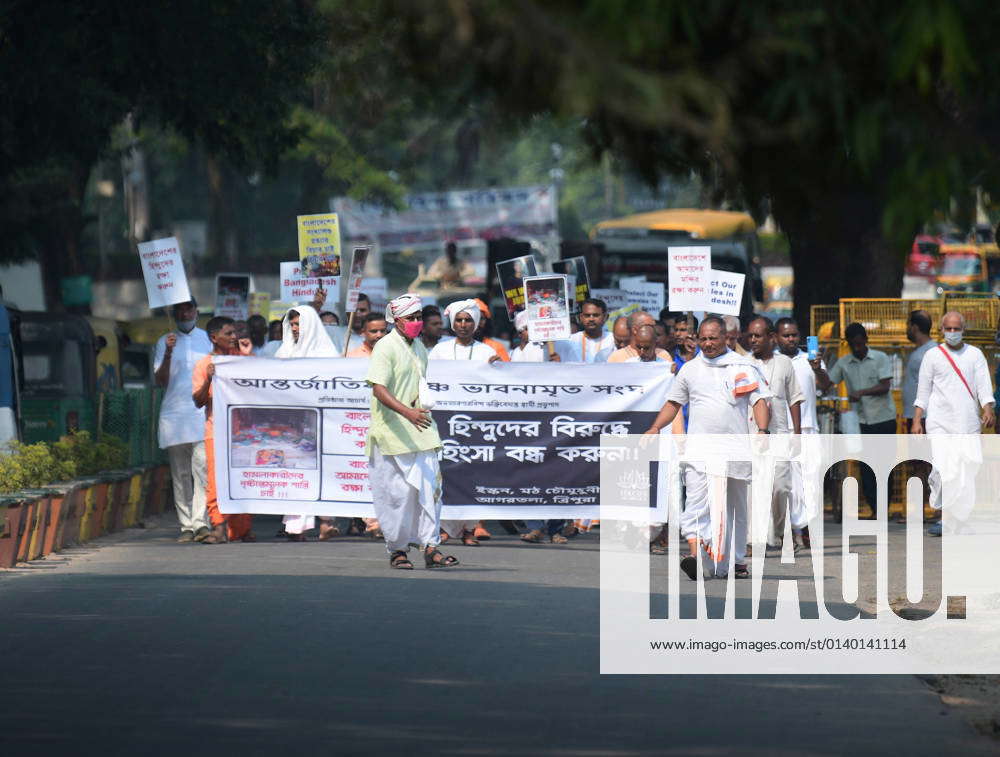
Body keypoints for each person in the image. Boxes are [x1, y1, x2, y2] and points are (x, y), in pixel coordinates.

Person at [644, 316, 770, 580]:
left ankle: (735, 561)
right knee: (696, 504)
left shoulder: (742, 365)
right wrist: (655, 427)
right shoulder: (689, 369)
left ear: (726, 338)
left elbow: (759, 401)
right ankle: (695, 555)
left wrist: (762, 430)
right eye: (703, 338)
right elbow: (673, 403)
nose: (708, 343)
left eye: (713, 338)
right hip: (699, 450)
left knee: (735, 507)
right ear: (697, 339)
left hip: (735, 449)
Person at [366, 293, 458, 570]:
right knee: (398, 496)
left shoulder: (419, 347)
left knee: (431, 490)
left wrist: (417, 409)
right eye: (411, 318)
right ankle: (398, 550)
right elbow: (378, 388)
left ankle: (431, 547)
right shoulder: (385, 347)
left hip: (423, 429)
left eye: (419, 317)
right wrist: (407, 412)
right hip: (392, 433)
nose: (417, 323)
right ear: (395, 320)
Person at [912, 311, 995, 536]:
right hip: (940, 423)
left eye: (956, 329)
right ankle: (946, 519)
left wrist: (988, 408)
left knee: (966, 471)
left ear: (963, 330)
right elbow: (923, 391)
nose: (952, 333)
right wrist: (917, 420)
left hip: (967, 423)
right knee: (944, 470)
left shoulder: (975, 355)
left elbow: (984, 386)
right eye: (948, 329)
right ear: (941, 330)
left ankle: (959, 519)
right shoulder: (932, 356)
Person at [430, 299, 500, 546]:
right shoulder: (439, 351)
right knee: (445, 473)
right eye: (459, 320)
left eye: (468, 320)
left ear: (477, 323)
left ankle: (470, 528)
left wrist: (496, 369)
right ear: (452, 323)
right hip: (445, 421)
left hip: (477, 423)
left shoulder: (487, 353)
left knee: (474, 473)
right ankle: (445, 527)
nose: (463, 324)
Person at [812, 322, 895, 518]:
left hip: (884, 419)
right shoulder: (844, 362)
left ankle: (883, 508)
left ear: (866, 340)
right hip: (862, 422)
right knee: (866, 466)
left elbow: (885, 386)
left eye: (860, 344)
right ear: (848, 344)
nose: (857, 348)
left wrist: (861, 393)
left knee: (885, 465)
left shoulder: (880, 358)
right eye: (853, 345)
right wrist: (818, 368)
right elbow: (827, 384)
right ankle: (875, 508)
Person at [274, 306, 340, 541]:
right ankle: (296, 526)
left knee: (324, 471)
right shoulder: (283, 353)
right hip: (292, 424)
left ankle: (326, 522)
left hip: (322, 423)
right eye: (291, 324)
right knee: (295, 471)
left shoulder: (328, 354)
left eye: (298, 324)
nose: (294, 329)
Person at [191, 316, 255, 544]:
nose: (234, 337)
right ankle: (219, 525)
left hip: (244, 434)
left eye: (235, 332)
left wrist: (248, 356)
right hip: (216, 432)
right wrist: (209, 379)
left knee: (243, 481)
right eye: (228, 333)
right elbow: (198, 401)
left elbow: (259, 385)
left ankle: (242, 528)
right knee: (216, 483)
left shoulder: (241, 360)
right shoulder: (204, 364)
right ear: (214, 337)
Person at [154, 299, 212, 543]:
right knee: (180, 475)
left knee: (202, 471)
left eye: (189, 309)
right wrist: (168, 352)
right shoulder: (163, 341)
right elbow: (160, 381)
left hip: (201, 414)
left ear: (197, 312)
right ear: (174, 313)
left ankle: (201, 523)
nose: (185, 313)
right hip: (174, 415)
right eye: (180, 309)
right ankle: (186, 525)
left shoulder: (207, 339)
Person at [746, 316, 804, 551]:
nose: (752, 340)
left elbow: (795, 398)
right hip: (750, 435)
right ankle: (751, 540)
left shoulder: (784, 364)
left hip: (779, 434)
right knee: (751, 490)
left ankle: (779, 531)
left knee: (780, 487)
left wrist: (797, 434)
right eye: (749, 336)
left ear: (771, 337)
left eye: (757, 336)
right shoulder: (742, 363)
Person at [774, 317, 824, 542]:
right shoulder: (771, 361)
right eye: (786, 335)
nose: (791, 339)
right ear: (776, 338)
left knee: (811, 482)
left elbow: (826, 384)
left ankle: (806, 528)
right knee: (787, 485)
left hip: (808, 429)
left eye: (794, 335)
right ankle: (791, 528)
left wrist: (818, 369)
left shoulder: (810, 360)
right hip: (781, 431)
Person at [902, 310, 935, 432]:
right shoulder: (921, 351)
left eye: (908, 325)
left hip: (924, 418)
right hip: (917, 416)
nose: (907, 329)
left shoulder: (929, 352)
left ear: (914, 327)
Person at [607, 311, 671, 363]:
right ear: (635, 330)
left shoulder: (663, 355)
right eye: (650, 326)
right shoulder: (616, 357)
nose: (654, 328)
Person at [567, 298, 614, 362]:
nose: (591, 319)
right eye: (587, 315)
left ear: (605, 317)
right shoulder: (571, 341)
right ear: (581, 317)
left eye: (596, 315)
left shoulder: (613, 340)